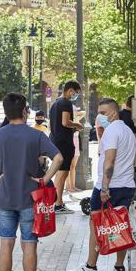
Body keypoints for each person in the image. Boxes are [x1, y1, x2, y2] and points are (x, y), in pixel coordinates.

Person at [0, 93, 63, 271]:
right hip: (30, 198)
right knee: (29, 244)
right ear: (25, 111)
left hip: (5, 197)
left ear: (6, 112)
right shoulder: (35, 135)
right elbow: (59, 158)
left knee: (5, 244)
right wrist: (45, 178)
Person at [68, 98, 136, 271]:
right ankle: (119, 267)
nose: (100, 116)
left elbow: (110, 161)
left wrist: (105, 188)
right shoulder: (128, 131)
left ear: (114, 112)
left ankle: (91, 266)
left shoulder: (112, 131)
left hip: (109, 187)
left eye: (103, 113)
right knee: (121, 225)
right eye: (99, 112)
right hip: (126, 185)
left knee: (96, 224)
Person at [49, 80, 83, 214]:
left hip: (56, 141)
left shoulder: (56, 103)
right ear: (70, 90)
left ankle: (57, 202)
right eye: (76, 93)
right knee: (63, 173)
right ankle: (58, 204)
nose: (76, 96)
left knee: (59, 173)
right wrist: (77, 125)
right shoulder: (66, 103)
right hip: (64, 143)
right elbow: (65, 122)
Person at [66, 105, 86, 193]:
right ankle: (68, 186)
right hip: (70, 143)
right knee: (68, 166)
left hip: (77, 143)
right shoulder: (67, 121)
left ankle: (73, 186)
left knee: (73, 166)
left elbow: (83, 112)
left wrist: (75, 114)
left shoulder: (76, 120)